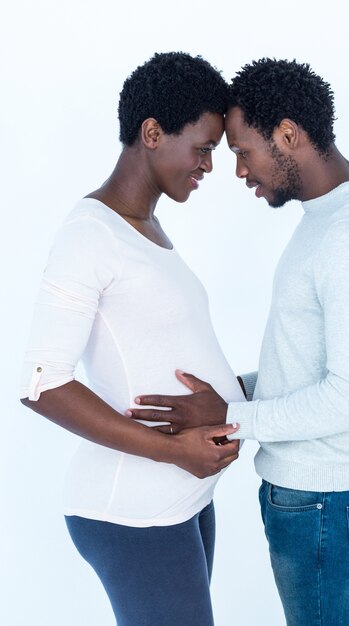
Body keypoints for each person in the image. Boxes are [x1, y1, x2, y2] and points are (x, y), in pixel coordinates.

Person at [128, 59, 349, 625]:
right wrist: (236, 391)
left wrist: (233, 415)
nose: (237, 170)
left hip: (327, 506)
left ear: (288, 135)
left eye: (241, 150)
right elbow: (312, 368)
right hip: (316, 504)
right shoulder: (328, 222)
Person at [20, 51, 243, 626]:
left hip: (182, 497)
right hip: (132, 510)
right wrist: (174, 450)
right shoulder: (89, 235)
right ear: (152, 133)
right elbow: (42, 383)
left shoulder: (146, 227)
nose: (209, 166)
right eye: (203, 148)